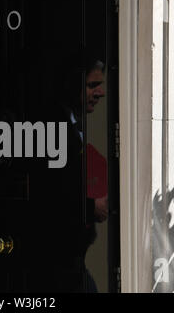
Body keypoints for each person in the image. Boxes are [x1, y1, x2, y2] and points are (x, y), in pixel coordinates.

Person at [26, 50, 108, 292]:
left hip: (69, 261)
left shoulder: (69, 122)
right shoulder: (54, 126)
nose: (100, 93)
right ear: (74, 85)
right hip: (56, 262)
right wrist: (90, 206)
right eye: (93, 85)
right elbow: (49, 191)